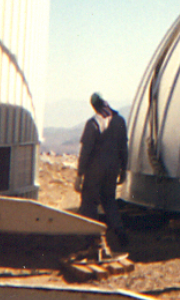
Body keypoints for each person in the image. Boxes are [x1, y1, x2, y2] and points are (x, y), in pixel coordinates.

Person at [76, 92, 130, 248]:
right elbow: (123, 148)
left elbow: (86, 150)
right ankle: (120, 233)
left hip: (94, 170)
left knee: (89, 202)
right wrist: (123, 169)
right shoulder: (119, 120)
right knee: (109, 201)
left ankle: (92, 238)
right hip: (112, 169)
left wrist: (80, 174)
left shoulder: (93, 123)